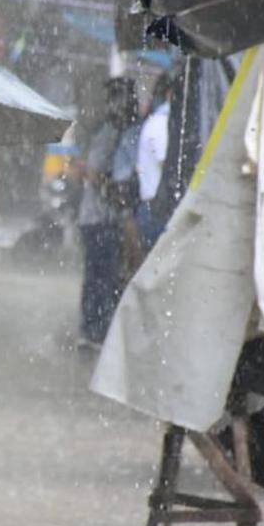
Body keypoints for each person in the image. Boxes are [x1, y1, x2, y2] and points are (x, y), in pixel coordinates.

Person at [75, 77, 139, 349]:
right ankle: (95, 331)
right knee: (102, 277)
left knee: (100, 277)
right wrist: (108, 185)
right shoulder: (111, 134)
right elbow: (94, 175)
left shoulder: (112, 133)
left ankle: (93, 329)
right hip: (100, 219)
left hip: (98, 219)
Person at [135, 75, 171, 252]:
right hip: (157, 208)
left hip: (154, 206)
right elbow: (167, 162)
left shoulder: (158, 121)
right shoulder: (161, 123)